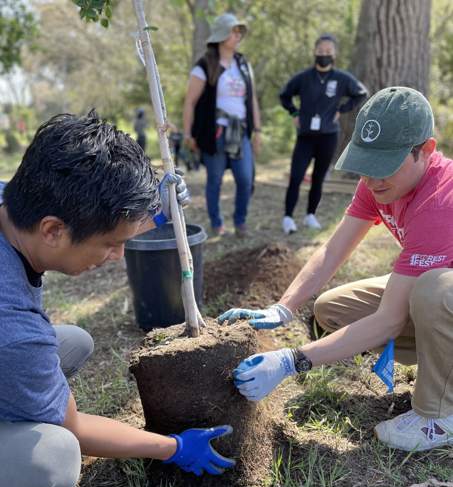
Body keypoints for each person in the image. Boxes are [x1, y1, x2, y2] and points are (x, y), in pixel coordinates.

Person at [0, 112, 235, 487]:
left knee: (71, 342)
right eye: (110, 244)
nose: (116, 258)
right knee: (54, 456)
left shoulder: (14, 204)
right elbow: (77, 430)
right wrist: (172, 447)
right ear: (52, 231)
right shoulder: (13, 325)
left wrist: (154, 212)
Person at [219, 86, 453, 453]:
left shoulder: (441, 202)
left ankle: (439, 417)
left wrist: (292, 360)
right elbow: (332, 250)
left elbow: (391, 320)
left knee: (433, 291)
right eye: (366, 164)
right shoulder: (377, 185)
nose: (373, 180)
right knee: (333, 308)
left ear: (425, 151)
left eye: (385, 166)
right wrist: (283, 307)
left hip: (443, 294)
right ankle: (444, 362)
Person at [183, 13, 262, 237]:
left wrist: (257, 130)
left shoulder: (244, 64)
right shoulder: (205, 65)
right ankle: (217, 223)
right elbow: (190, 102)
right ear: (221, 35)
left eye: (239, 31)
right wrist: (188, 134)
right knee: (215, 180)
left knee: (245, 179)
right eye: (233, 31)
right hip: (214, 132)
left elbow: (252, 99)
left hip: (240, 132)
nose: (238, 35)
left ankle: (240, 222)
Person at [280, 34, 367, 233]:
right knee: (296, 176)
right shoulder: (303, 78)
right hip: (305, 136)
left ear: (334, 54)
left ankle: (310, 215)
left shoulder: (342, 78)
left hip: (328, 136)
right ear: (314, 52)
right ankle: (288, 218)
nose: (324, 55)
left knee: (318, 178)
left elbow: (361, 93)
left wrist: (342, 109)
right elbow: (284, 95)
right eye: (321, 51)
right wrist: (294, 112)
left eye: (328, 51)